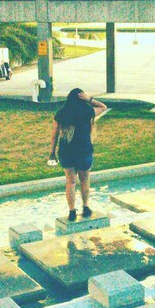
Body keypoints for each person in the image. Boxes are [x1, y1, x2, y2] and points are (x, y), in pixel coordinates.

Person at [49, 88, 107, 221]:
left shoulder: (61, 113)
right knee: (85, 180)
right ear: (82, 98)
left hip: (66, 153)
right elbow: (103, 107)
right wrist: (90, 99)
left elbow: (54, 136)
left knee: (70, 181)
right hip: (84, 151)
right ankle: (86, 207)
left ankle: (71, 211)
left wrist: (52, 153)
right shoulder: (87, 111)